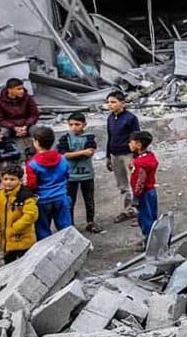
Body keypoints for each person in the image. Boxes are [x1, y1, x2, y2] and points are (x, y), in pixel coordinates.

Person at [24, 126, 74, 236]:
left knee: (42, 230)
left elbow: (32, 185)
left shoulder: (32, 164)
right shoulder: (62, 158)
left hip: (42, 200)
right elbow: (67, 175)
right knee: (65, 227)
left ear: (36, 142)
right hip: (61, 197)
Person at [57, 112, 101, 233]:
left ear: (84, 124)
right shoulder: (65, 138)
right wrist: (82, 153)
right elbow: (64, 155)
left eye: (77, 124)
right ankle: (70, 224)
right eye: (71, 124)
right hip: (70, 176)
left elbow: (90, 152)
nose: (74, 127)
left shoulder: (89, 137)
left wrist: (73, 154)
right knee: (70, 201)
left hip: (87, 174)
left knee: (89, 199)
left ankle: (90, 222)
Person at [0, 162, 38, 264]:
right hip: (7, 241)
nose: (8, 182)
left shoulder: (25, 196)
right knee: (9, 264)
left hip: (22, 239)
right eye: (5, 179)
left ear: (20, 180)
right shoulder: (0, 194)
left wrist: (15, 228)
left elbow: (31, 215)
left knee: (25, 264)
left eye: (12, 179)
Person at [104, 91, 140, 221]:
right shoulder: (110, 118)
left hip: (128, 154)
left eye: (113, 102)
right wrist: (108, 156)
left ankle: (136, 209)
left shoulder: (130, 118)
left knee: (134, 183)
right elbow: (110, 137)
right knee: (122, 185)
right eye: (108, 102)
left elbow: (136, 138)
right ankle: (128, 210)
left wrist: (136, 157)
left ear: (122, 103)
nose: (110, 105)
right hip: (115, 154)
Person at [128, 130, 159, 238]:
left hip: (143, 193)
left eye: (131, 142)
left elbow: (140, 181)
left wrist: (136, 196)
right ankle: (154, 239)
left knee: (145, 219)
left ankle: (148, 242)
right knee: (153, 216)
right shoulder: (150, 156)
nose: (129, 144)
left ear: (138, 144)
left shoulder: (140, 163)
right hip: (152, 191)